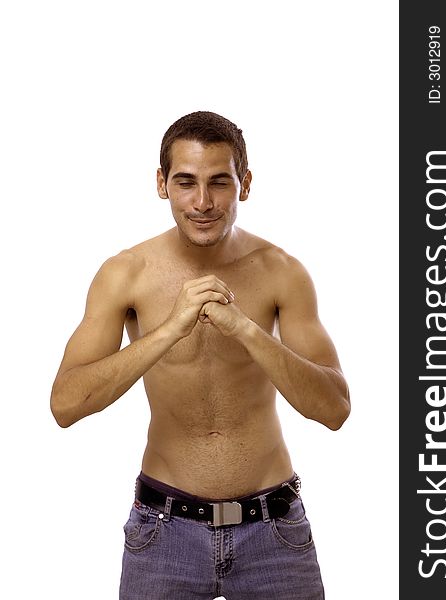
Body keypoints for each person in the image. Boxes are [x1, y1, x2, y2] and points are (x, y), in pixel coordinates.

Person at [50, 111, 350, 600]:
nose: (203, 202)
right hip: (164, 528)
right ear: (161, 184)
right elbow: (66, 404)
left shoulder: (282, 273)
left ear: (245, 184)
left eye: (219, 182)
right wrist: (169, 329)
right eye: (186, 182)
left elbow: (335, 409)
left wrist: (248, 331)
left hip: (273, 530)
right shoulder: (125, 274)